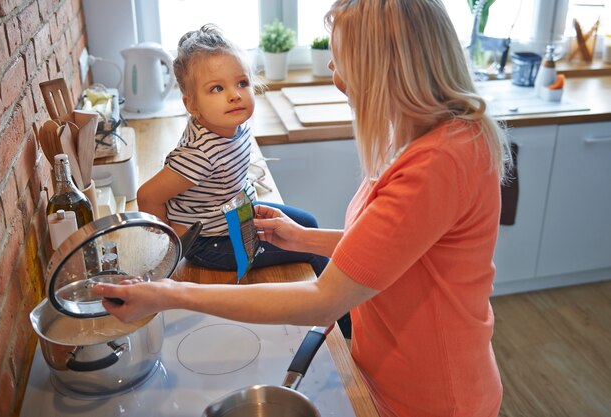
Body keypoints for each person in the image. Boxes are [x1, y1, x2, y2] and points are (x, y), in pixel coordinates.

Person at [94, 1, 510, 416]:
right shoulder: (418, 135)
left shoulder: (438, 162)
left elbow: (323, 299)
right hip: (389, 374)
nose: (333, 70)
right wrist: (304, 237)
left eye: (343, 59)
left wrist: (171, 293)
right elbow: (400, 249)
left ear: (383, 67)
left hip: (431, 396)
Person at [136, 24, 328, 277]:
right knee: (314, 248)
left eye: (241, 83)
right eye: (217, 88)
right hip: (210, 241)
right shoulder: (199, 153)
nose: (234, 95)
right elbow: (147, 195)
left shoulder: (235, 123)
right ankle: (344, 317)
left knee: (310, 226)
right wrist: (170, 241)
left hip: (236, 218)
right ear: (191, 104)